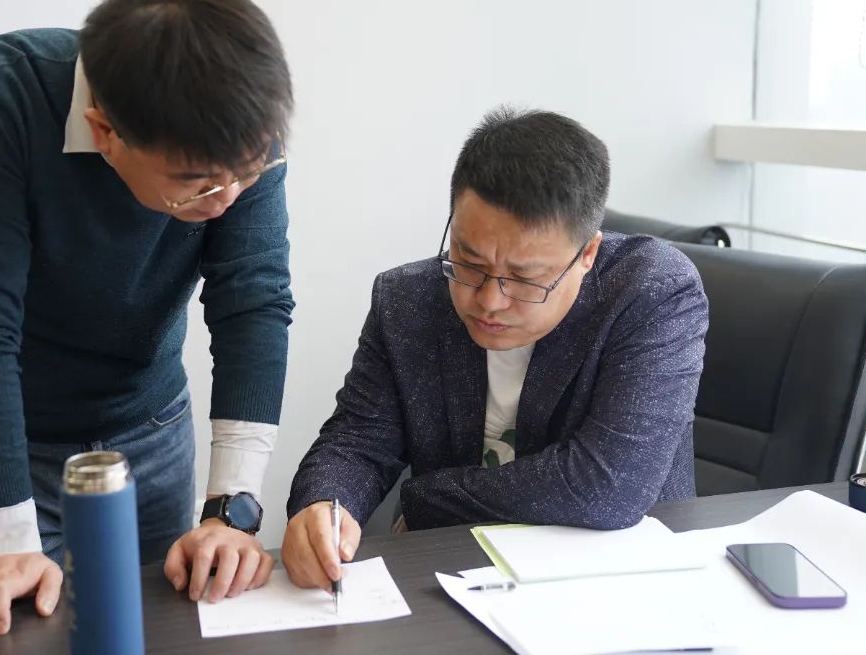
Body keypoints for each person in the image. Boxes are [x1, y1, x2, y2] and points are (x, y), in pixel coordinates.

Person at [0, 0, 294, 639]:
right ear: (104, 131)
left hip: (149, 427)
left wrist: (231, 512)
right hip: (6, 438)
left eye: (247, 173)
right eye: (196, 187)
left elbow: (253, 301)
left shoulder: (239, 129)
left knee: (161, 631)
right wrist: (9, 544)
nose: (227, 201)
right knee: (16, 634)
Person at [281, 107, 708, 592]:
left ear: (587, 254)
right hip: (459, 577)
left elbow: (610, 485)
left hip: (622, 579)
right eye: (469, 261)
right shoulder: (407, 301)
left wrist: (426, 497)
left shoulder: (650, 290)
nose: (488, 301)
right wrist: (325, 504)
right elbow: (358, 439)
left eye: (525, 278)